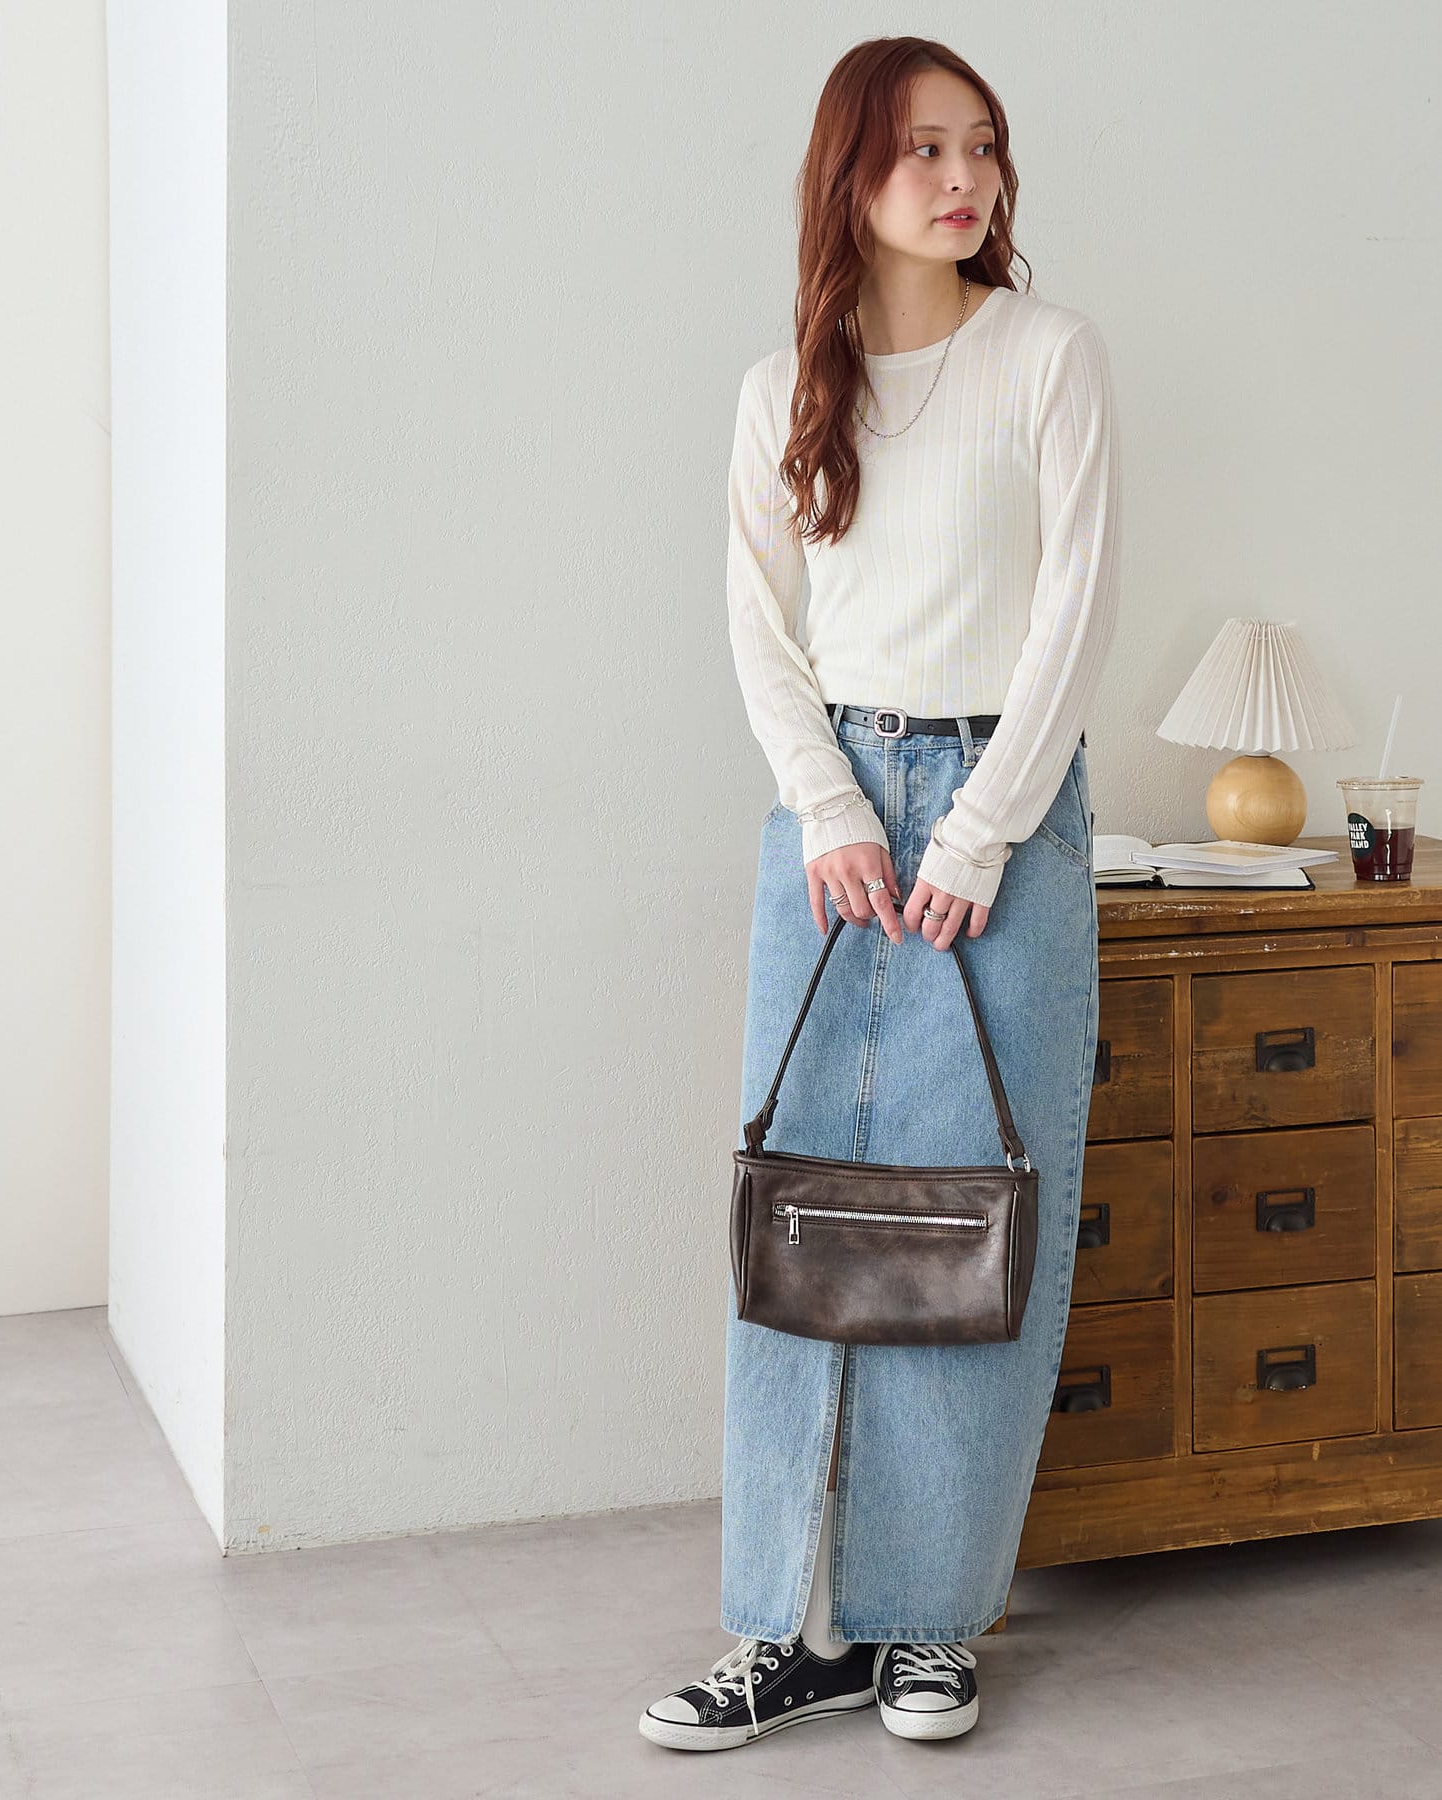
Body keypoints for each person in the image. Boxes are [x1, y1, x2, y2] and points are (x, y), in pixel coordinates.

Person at [639, 33, 1121, 1753]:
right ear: (850, 174)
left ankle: (926, 1626)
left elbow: (1073, 613)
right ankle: (782, 1628)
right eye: (923, 148)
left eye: (980, 145)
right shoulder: (781, 389)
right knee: (802, 1216)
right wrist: (834, 809)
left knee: (975, 1222)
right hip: (831, 820)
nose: (961, 177)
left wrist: (975, 837)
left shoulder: (1049, 358)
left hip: (1009, 818)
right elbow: (758, 627)